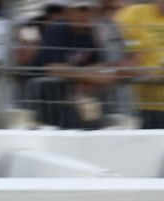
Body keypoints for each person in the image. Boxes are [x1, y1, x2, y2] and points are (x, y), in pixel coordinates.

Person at [31, 0, 107, 129]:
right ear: (68, 12)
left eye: (90, 10)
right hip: (46, 99)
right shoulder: (58, 29)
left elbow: (102, 70)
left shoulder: (94, 33)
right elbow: (54, 69)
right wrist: (89, 75)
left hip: (76, 97)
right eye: (81, 9)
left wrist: (80, 75)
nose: (86, 14)